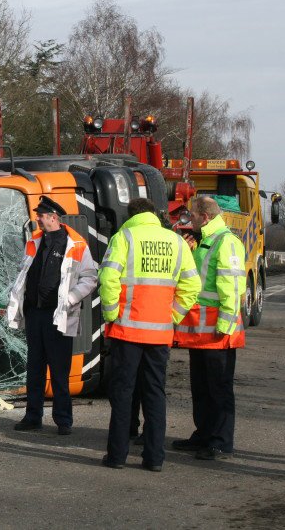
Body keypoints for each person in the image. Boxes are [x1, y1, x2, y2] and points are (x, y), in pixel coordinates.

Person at [99, 198, 201, 471]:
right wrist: (173, 315)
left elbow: (108, 278)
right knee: (155, 394)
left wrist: (111, 314)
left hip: (126, 331)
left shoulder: (125, 237)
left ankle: (117, 456)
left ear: (131, 215)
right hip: (159, 334)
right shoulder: (176, 242)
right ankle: (154, 459)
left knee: (123, 395)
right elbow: (192, 285)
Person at [6, 195, 98, 435]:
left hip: (59, 316)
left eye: (41, 215)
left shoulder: (75, 244)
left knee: (59, 371)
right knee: (35, 368)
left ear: (53, 217)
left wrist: (70, 298)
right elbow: (23, 274)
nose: (37, 218)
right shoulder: (35, 241)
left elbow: (89, 278)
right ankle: (33, 416)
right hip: (35, 314)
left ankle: (63, 420)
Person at [172, 196, 246, 461]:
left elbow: (233, 287)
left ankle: (220, 441)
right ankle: (203, 434)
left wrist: (225, 326)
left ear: (204, 217)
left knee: (219, 389)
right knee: (201, 387)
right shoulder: (204, 241)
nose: (188, 219)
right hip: (202, 334)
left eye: (192, 215)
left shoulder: (226, 242)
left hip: (218, 334)